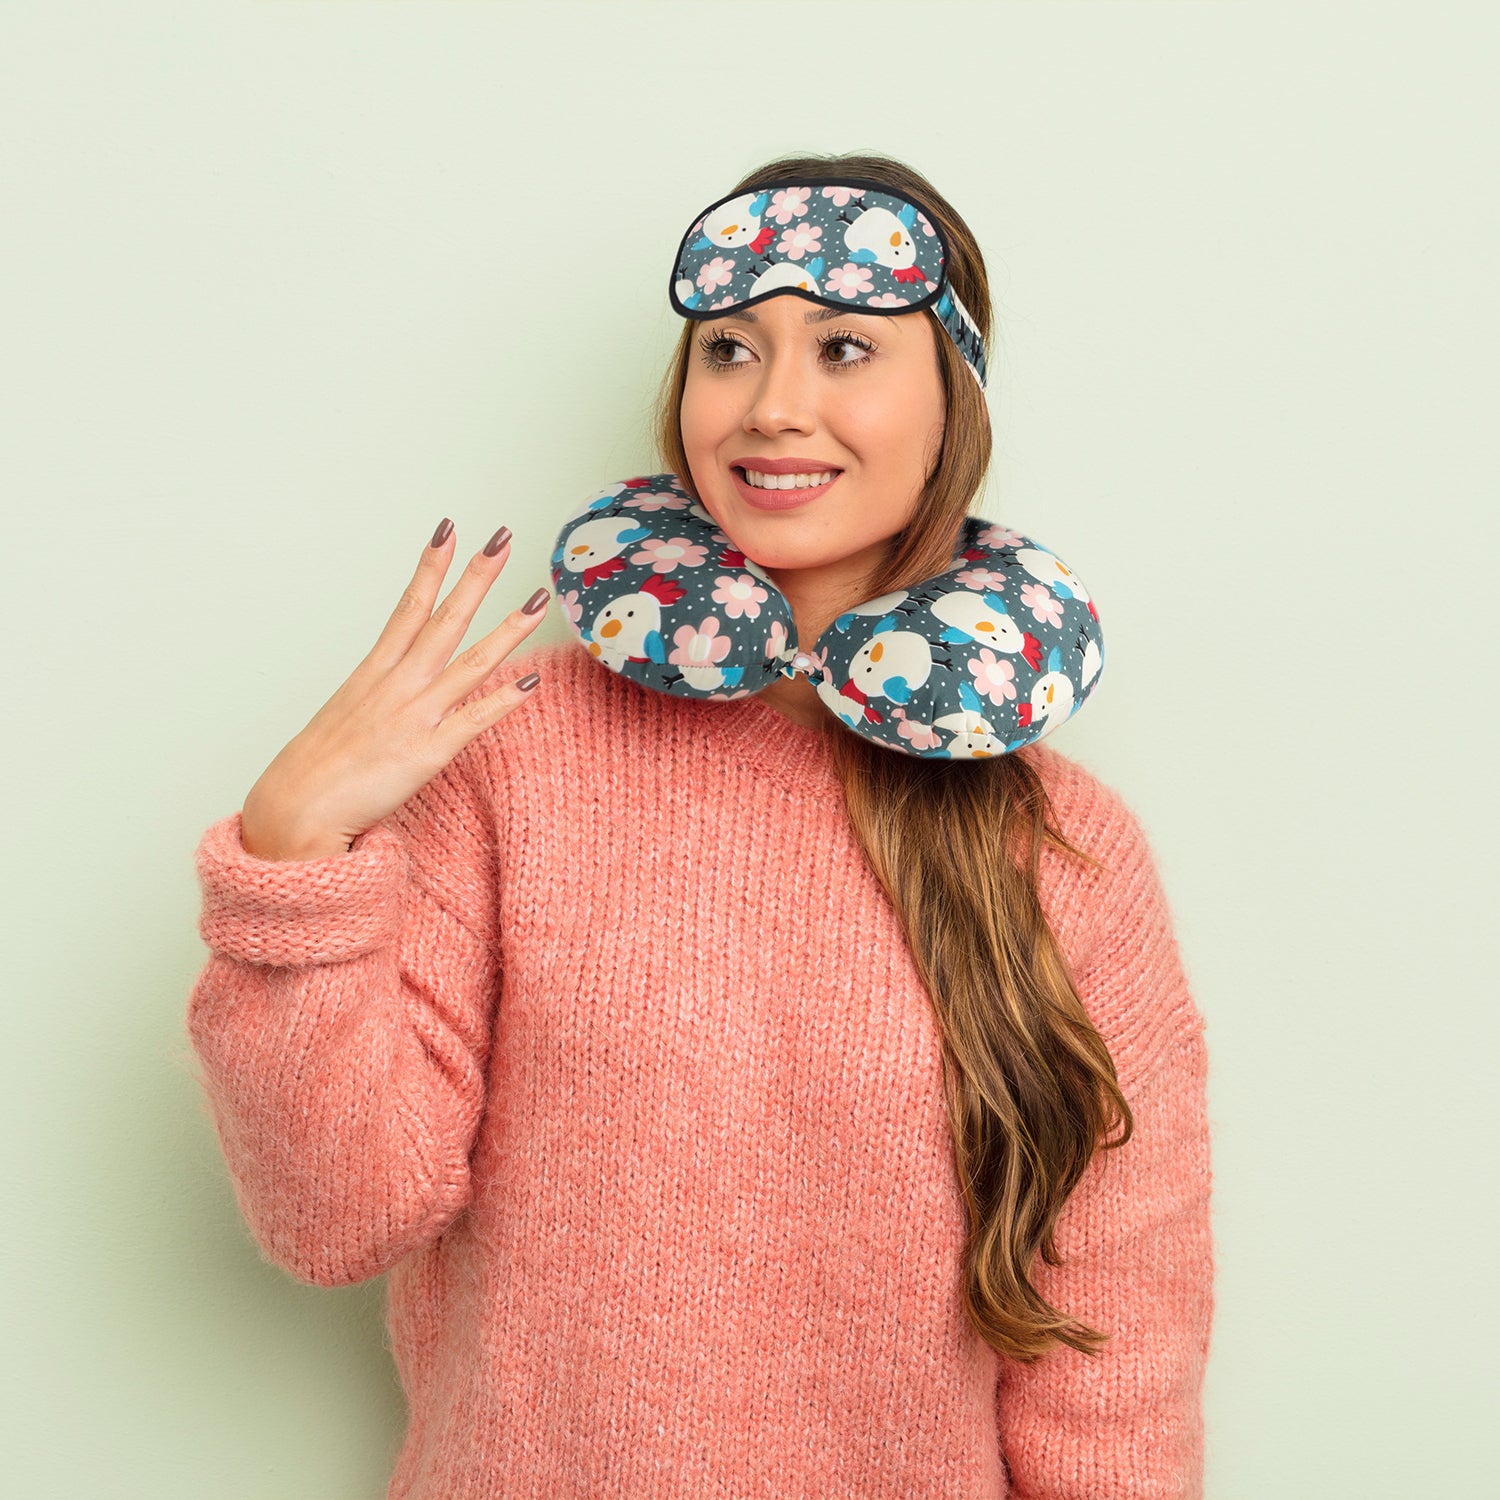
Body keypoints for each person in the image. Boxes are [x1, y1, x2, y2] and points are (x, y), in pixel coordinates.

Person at [185, 151, 1212, 1499]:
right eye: (729, 348)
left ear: (950, 410)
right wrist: (291, 860)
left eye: (844, 347)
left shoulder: (1064, 849)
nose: (773, 405)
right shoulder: (512, 756)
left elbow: (1115, 1357)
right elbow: (338, 1221)